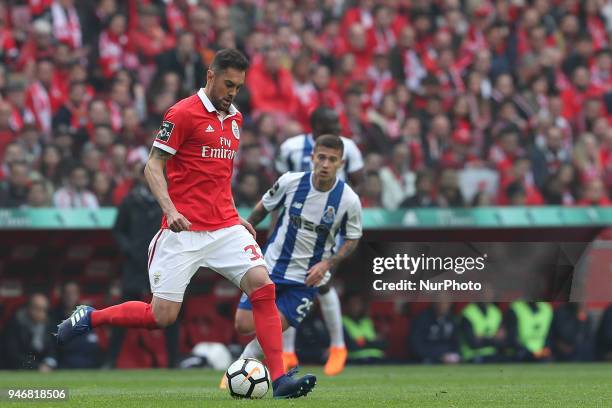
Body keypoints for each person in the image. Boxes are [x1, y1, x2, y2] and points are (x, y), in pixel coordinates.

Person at [56, 49, 315, 399]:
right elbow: (153, 165)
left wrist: (235, 214)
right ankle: (91, 316)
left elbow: (217, 176)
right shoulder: (181, 113)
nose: (232, 93)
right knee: (160, 316)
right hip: (183, 231)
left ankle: (280, 378)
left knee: (263, 288)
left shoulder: (235, 119)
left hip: (224, 227)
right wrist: (171, 209)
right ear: (210, 76)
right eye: (227, 84)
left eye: (237, 87)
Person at [225, 134, 362, 385]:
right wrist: (239, 239)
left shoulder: (348, 200)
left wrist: (327, 264)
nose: (325, 164)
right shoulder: (290, 182)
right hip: (270, 267)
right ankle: (245, 369)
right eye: (321, 157)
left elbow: (352, 239)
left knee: (273, 329)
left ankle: (239, 370)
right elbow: (261, 209)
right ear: (312, 158)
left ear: (340, 164)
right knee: (243, 325)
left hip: (306, 280)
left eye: (332, 160)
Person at [274, 106, 364, 375]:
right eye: (332, 124)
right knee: (289, 284)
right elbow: (280, 180)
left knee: (322, 282)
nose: (338, 128)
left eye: (338, 123)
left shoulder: (349, 147)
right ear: (316, 127)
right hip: (294, 226)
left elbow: (360, 179)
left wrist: (340, 206)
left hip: (327, 228)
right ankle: (288, 352)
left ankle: (338, 346)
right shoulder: (291, 148)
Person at [105, 161, 180, 368]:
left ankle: (174, 361)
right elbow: (118, 231)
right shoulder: (130, 201)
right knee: (123, 312)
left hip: (162, 262)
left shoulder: (168, 199)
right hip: (136, 265)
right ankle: (110, 360)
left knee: (170, 312)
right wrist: (129, 250)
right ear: (140, 177)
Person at [3, 293, 57, 371]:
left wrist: (49, 363)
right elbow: (13, 355)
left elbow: (52, 350)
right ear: (29, 308)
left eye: (44, 309)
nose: (41, 313)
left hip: (43, 369)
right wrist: (37, 367)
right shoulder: (15, 325)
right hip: (17, 370)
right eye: (37, 309)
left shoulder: (48, 325)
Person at [342, 293, 385, 364]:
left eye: (358, 303)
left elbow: (381, 343)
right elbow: (350, 345)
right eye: (352, 303)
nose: (355, 306)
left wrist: (364, 342)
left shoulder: (367, 321)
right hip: (356, 360)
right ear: (347, 305)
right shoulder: (342, 321)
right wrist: (371, 342)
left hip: (376, 358)